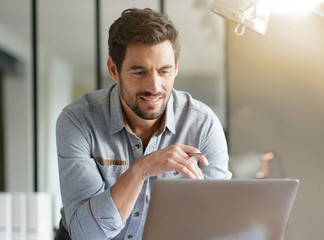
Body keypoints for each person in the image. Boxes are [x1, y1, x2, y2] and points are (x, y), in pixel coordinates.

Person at [55, 8, 232, 240]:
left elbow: (221, 221)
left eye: (164, 71)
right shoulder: (78, 121)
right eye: (139, 72)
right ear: (113, 70)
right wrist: (142, 169)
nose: (154, 86)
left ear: (176, 68)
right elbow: (86, 234)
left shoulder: (203, 124)